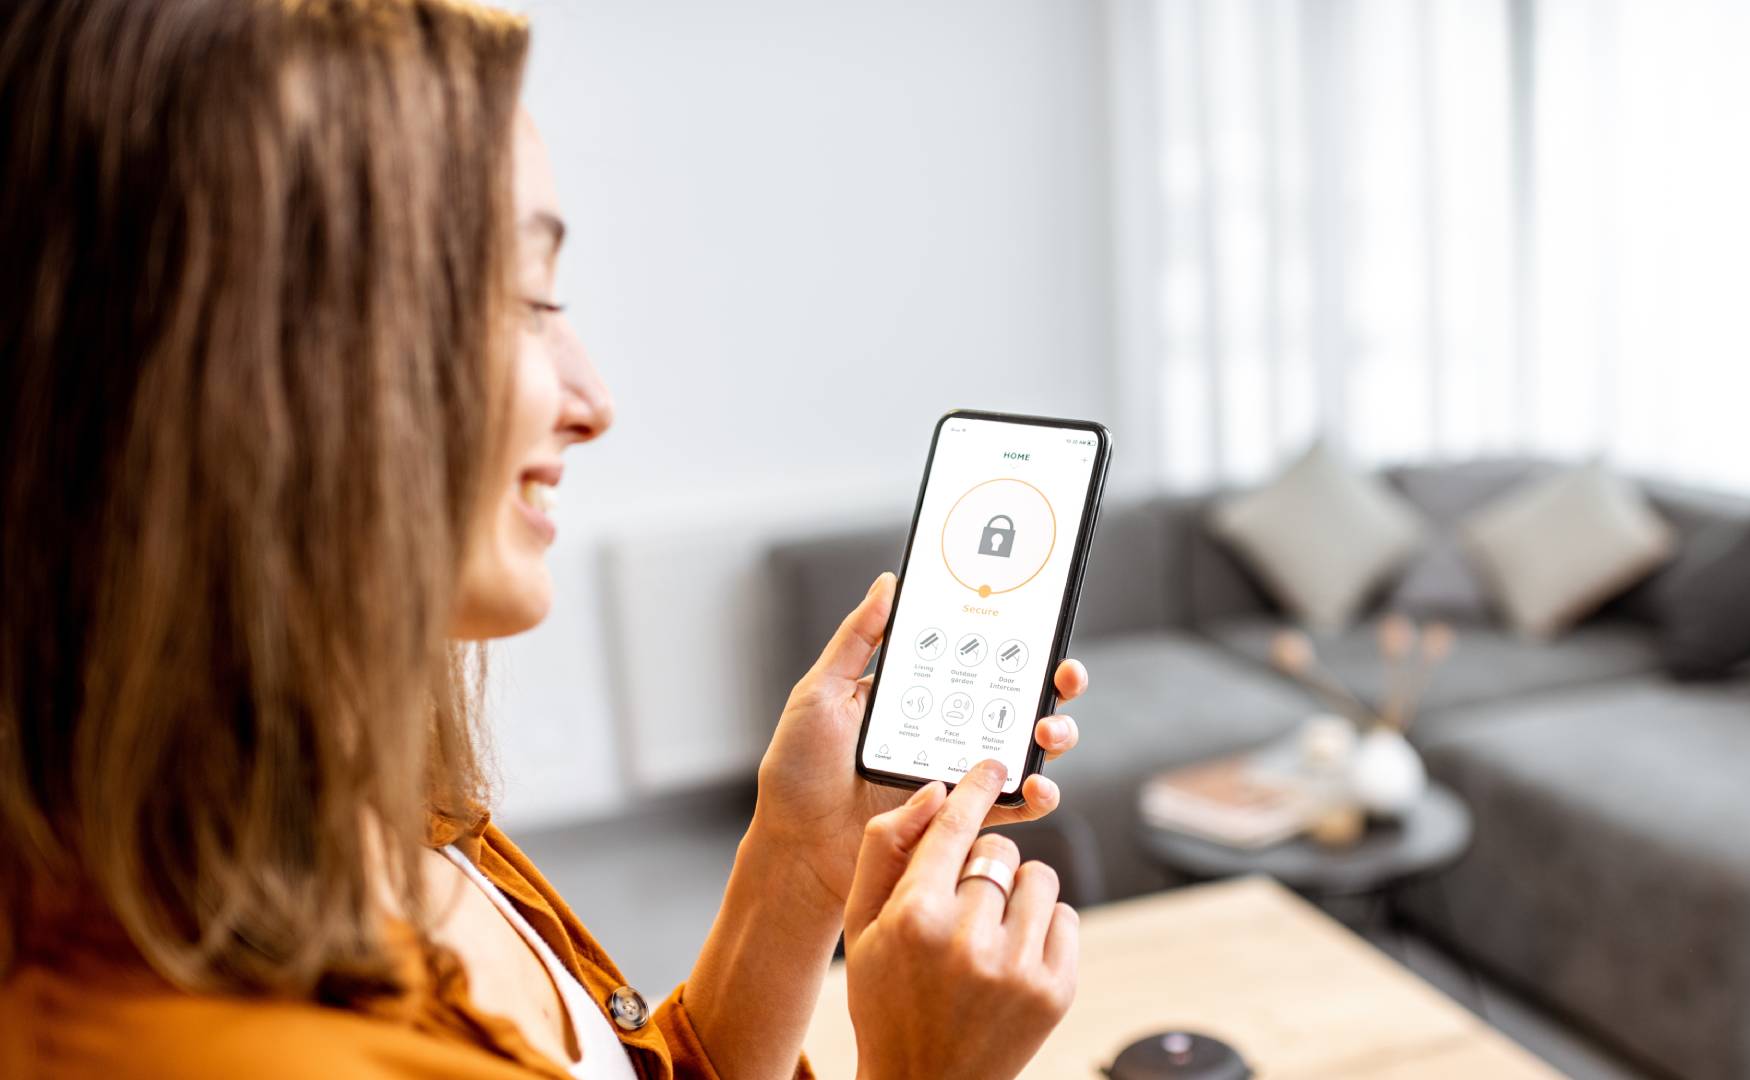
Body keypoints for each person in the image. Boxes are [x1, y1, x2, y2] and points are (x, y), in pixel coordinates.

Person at [0, 2, 1090, 1077]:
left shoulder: (373, 813)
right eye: (519, 300)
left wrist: (794, 865)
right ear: (254, 365)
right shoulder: (211, 1047)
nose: (593, 398)